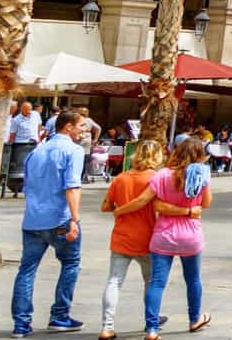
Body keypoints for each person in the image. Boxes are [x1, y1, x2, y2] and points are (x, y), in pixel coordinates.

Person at [11, 111, 86, 336]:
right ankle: (60, 315)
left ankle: (21, 323)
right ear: (68, 127)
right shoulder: (73, 150)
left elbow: (28, 185)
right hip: (59, 218)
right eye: (81, 125)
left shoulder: (36, 151)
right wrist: (75, 219)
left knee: (27, 269)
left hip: (33, 219)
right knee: (71, 263)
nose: (85, 129)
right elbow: (72, 186)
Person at [138, 137, 214, 337]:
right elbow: (205, 203)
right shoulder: (201, 175)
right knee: (193, 280)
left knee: (157, 283)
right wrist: (189, 208)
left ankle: (152, 328)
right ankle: (195, 318)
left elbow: (154, 203)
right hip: (191, 235)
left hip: (164, 235)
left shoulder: (162, 175)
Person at [97, 140, 163, 340]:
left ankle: (107, 326)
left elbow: (106, 206)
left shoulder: (121, 178)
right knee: (150, 282)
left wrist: (120, 207)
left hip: (122, 235)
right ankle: (151, 321)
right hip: (148, 236)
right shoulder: (156, 178)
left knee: (114, 281)